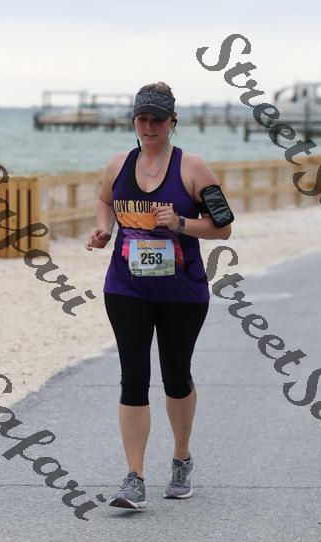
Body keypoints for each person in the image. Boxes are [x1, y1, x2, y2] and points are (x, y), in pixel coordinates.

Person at [85, 82, 232, 509]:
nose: (149, 127)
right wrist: (104, 230)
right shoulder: (118, 164)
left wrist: (181, 223)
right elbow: (104, 200)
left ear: (173, 121)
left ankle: (181, 458)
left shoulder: (193, 168)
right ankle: (134, 477)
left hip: (182, 290)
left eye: (157, 120)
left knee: (175, 375)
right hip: (126, 287)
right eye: (142, 119)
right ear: (134, 121)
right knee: (133, 377)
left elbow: (223, 227)